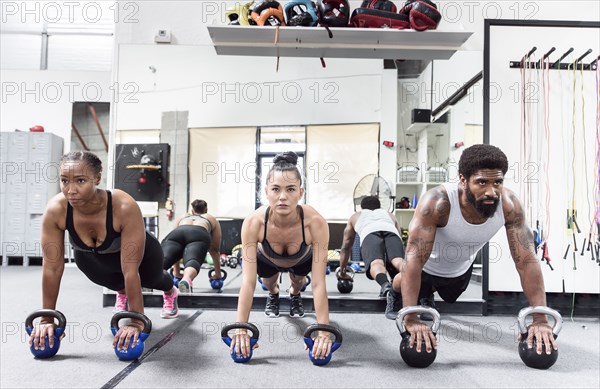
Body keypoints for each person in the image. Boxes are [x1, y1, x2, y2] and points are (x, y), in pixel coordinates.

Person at [398, 144, 558, 355]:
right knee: (402, 281)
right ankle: (396, 290)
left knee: (445, 294)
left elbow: (526, 261)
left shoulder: (509, 206)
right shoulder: (437, 202)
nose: (491, 191)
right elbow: (415, 260)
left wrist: (540, 318)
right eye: (481, 182)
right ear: (463, 180)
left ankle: (426, 296)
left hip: (459, 271)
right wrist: (410, 317)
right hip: (425, 269)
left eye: (497, 182)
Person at [28, 151, 179, 354]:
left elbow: (130, 270)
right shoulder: (56, 209)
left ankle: (171, 291)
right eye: (64, 181)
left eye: (80, 181)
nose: (70, 190)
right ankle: (122, 291)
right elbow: (52, 268)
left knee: (153, 279)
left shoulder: (123, 205)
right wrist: (47, 319)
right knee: (114, 283)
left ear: (97, 178)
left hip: (143, 259)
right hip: (92, 258)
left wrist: (135, 321)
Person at [230, 152, 333, 360]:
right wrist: (241, 328)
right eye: (276, 189)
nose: (283, 196)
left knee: (299, 282)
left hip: (301, 258)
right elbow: (249, 282)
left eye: (290, 189)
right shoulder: (253, 223)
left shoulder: (315, 222)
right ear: (266, 192)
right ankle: (274, 293)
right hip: (267, 259)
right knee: (267, 283)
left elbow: (319, 283)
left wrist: (323, 331)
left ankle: (294, 294)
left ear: (301, 192)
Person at [338, 195, 405, 318]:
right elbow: (400, 239)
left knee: (376, 263)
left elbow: (345, 247)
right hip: (392, 233)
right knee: (398, 261)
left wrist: (342, 272)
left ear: (362, 207)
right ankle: (417, 283)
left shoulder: (356, 216)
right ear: (379, 206)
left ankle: (386, 286)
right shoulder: (389, 214)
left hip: (370, 233)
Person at [162, 199, 223, 293]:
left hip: (178, 232)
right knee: (192, 260)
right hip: (199, 233)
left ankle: (147, 279)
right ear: (206, 210)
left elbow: (176, 252)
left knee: (165, 258)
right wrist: (218, 274)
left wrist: (176, 273)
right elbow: (214, 250)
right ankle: (186, 279)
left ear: (192, 210)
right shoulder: (210, 218)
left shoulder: (183, 216)